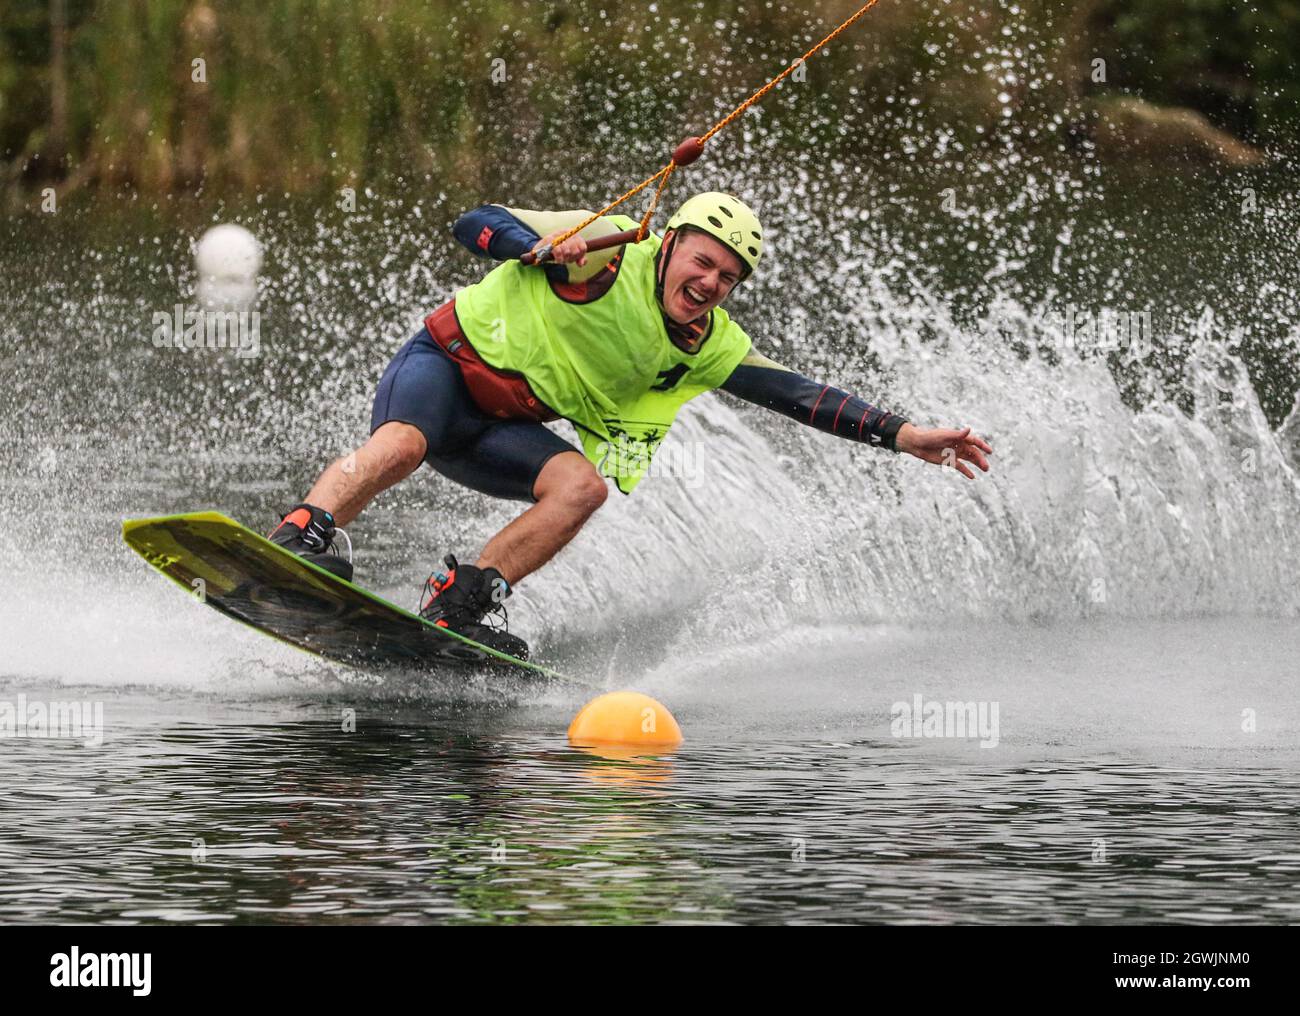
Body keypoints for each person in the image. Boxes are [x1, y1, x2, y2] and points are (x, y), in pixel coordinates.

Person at [269, 193, 992, 659]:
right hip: (443, 369)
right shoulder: (606, 250)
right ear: (670, 244)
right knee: (401, 444)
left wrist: (903, 434)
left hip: (497, 427)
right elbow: (473, 221)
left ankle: (461, 604)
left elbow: (799, 396)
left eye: (727, 279)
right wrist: (533, 248)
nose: (709, 284)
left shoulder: (708, 344)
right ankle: (303, 531)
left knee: (582, 488)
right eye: (703, 262)